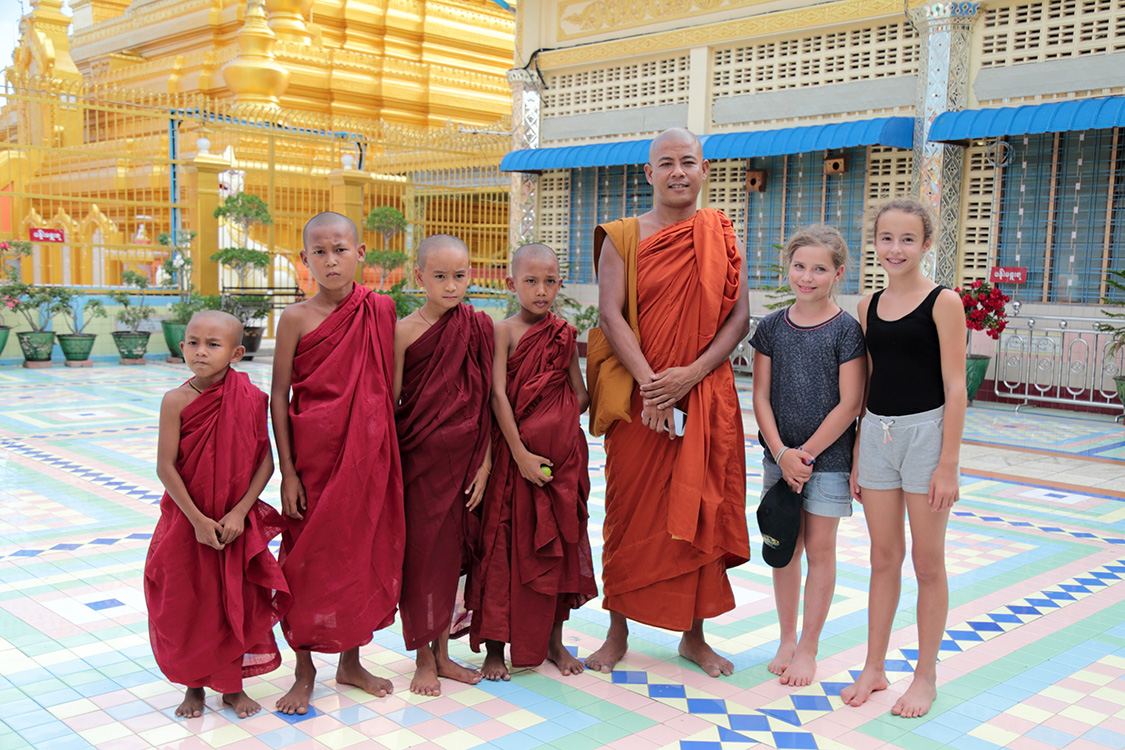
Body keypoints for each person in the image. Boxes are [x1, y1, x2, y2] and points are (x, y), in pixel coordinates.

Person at [584, 127, 751, 678]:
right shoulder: (622, 236)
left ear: (704, 169)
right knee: (628, 511)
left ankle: (693, 635)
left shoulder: (721, 235)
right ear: (648, 174)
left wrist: (692, 374)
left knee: (699, 507)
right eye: (666, 163)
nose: (678, 171)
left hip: (701, 394)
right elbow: (610, 314)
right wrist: (654, 383)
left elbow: (739, 319)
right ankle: (617, 629)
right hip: (640, 398)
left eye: (688, 161)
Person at [271, 211, 405, 715]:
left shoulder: (381, 310)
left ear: (360, 253)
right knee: (305, 564)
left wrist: (375, 444)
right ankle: (304, 670)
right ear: (305, 260)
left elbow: (389, 388)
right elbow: (279, 396)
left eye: (341, 249)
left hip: (368, 459)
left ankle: (350, 660)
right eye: (320, 252)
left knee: (359, 555)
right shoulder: (296, 319)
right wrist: (287, 471)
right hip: (313, 462)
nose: (331, 260)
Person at [840, 198, 966, 718]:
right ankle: (874, 666)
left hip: (927, 437)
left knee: (927, 563)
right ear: (876, 242)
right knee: (882, 558)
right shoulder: (867, 306)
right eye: (887, 238)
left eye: (907, 239)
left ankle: (925, 675)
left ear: (926, 244)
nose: (896, 249)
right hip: (876, 437)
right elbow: (867, 380)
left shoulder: (944, 302)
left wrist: (948, 463)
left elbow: (957, 385)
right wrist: (855, 451)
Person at [146, 310, 290, 719]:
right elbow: (165, 466)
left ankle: (231, 687)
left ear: (237, 352)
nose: (200, 352)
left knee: (235, 600)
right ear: (181, 347)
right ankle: (194, 686)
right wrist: (196, 520)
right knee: (189, 602)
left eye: (213, 345)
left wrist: (240, 512)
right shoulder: (175, 400)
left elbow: (265, 461)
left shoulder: (251, 398)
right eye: (193, 342)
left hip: (233, 523)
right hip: (186, 523)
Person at [468, 243, 596, 681]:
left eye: (549, 281)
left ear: (560, 283)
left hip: (561, 465)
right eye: (531, 281)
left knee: (558, 550)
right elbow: (497, 394)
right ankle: (494, 648)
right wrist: (521, 452)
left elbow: (578, 394)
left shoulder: (564, 330)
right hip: (514, 463)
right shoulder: (501, 331)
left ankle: (554, 641)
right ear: (511, 284)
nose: (541, 291)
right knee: (503, 549)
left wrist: (558, 424)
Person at [750, 225, 866, 687]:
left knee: (819, 550)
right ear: (789, 268)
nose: (807, 277)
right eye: (800, 266)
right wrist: (781, 454)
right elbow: (759, 396)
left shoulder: (846, 330)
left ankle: (809, 648)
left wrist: (806, 455)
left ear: (837, 273)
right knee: (786, 547)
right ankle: (785, 638)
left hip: (828, 462)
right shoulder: (772, 327)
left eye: (819, 269)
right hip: (779, 460)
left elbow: (850, 403)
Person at [393, 234, 493, 696]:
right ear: (419, 278)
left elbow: (489, 398)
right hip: (419, 463)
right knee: (421, 561)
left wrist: (486, 462)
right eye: (440, 277)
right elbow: (392, 401)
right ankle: (422, 659)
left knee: (452, 559)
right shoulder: (404, 331)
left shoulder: (478, 326)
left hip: (467, 461)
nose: (452, 286)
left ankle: (444, 655)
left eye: (460, 275)